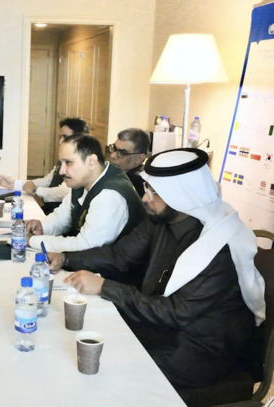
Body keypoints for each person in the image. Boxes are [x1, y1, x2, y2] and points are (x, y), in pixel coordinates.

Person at [48, 148, 265, 404]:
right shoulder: (160, 220)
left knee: (103, 370)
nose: (145, 198)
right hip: (159, 327)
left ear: (181, 196)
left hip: (198, 349)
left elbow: (175, 312)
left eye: (154, 192)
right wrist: (66, 258)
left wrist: (106, 287)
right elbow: (119, 255)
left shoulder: (220, 248)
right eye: (147, 188)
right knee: (77, 341)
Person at [25, 134, 146, 253]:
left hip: (113, 264)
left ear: (91, 161)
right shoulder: (82, 179)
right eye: (61, 163)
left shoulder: (110, 195)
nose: (61, 171)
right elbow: (62, 218)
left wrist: (32, 240)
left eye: (68, 162)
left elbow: (86, 246)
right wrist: (43, 227)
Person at [0, 117, 89, 214]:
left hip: (63, 213)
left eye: (65, 137)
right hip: (53, 210)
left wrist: (35, 190)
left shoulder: (82, 164)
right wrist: (15, 184)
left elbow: (63, 192)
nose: (60, 142)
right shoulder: (63, 160)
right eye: (60, 137)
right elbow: (48, 181)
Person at [107, 128, 150, 198]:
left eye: (122, 153)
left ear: (139, 158)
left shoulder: (137, 186)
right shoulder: (116, 171)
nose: (112, 156)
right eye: (114, 148)